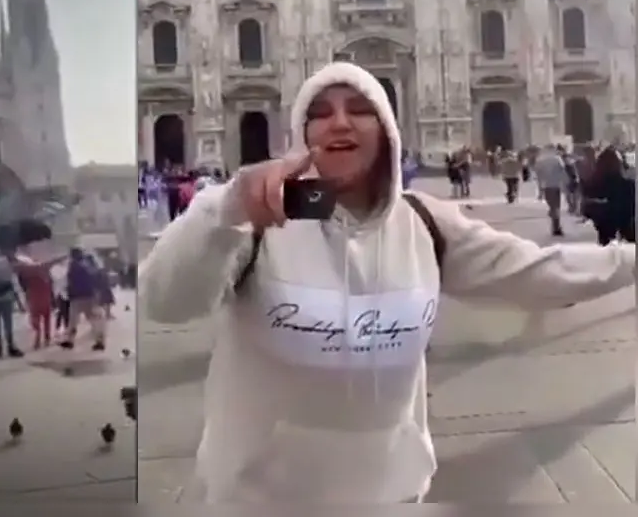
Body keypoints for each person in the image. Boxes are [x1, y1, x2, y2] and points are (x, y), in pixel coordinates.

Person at [137, 62, 635, 504]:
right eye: (320, 111)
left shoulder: (423, 223)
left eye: (360, 108)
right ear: (301, 132)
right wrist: (224, 209)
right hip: (260, 501)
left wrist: (630, 260)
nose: (339, 121)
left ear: (387, 129)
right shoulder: (261, 222)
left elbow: (538, 272)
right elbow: (165, 299)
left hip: (389, 497)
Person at [582, 147, 636, 245]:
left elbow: (587, 204)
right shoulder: (627, 185)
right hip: (624, 221)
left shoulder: (591, 183)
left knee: (605, 241)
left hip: (603, 221)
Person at [60, 247, 103, 350]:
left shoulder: (73, 266)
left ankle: (70, 341)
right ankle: (99, 341)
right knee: (93, 319)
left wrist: (69, 292)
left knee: (73, 320)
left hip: (77, 296)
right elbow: (95, 278)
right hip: (89, 295)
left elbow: (71, 281)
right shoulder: (87, 265)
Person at [534, 145, 569, 236]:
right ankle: (556, 226)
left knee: (552, 206)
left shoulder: (540, 160)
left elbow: (538, 176)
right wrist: (565, 185)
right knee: (556, 206)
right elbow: (563, 172)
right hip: (556, 185)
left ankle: (555, 224)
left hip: (546, 186)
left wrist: (540, 190)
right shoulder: (557, 159)